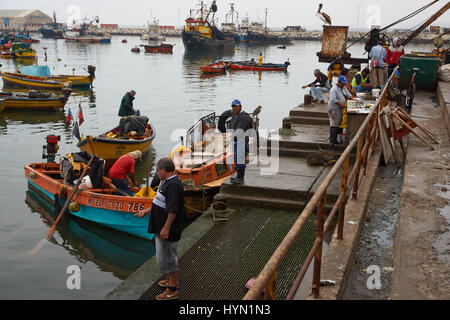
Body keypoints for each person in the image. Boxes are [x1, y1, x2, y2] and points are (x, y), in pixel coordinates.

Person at [136, 158, 186, 300]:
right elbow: (159, 203)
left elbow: (173, 210)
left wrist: (166, 228)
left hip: (167, 230)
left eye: (158, 170)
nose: (156, 173)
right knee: (166, 257)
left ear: (164, 170)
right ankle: (171, 280)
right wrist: (146, 211)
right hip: (160, 227)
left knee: (168, 258)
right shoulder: (165, 182)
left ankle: (172, 289)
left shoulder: (173, 185)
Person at [218, 99, 254, 185]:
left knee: (240, 159)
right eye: (233, 106)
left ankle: (240, 178)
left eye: (236, 106)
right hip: (235, 141)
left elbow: (241, 129)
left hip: (241, 141)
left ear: (240, 107)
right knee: (237, 159)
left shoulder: (245, 117)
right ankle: (238, 176)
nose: (234, 108)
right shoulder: (234, 116)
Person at [328, 76, 352, 148]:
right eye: (342, 83)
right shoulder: (334, 89)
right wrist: (341, 104)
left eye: (345, 83)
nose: (344, 84)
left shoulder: (343, 87)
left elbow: (348, 95)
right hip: (334, 108)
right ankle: (332, 142)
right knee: (334, 124)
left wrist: (354, 99)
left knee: (339, 123)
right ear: (339, 82)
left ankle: (338, 140)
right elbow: (333, 99)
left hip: (340, 109)